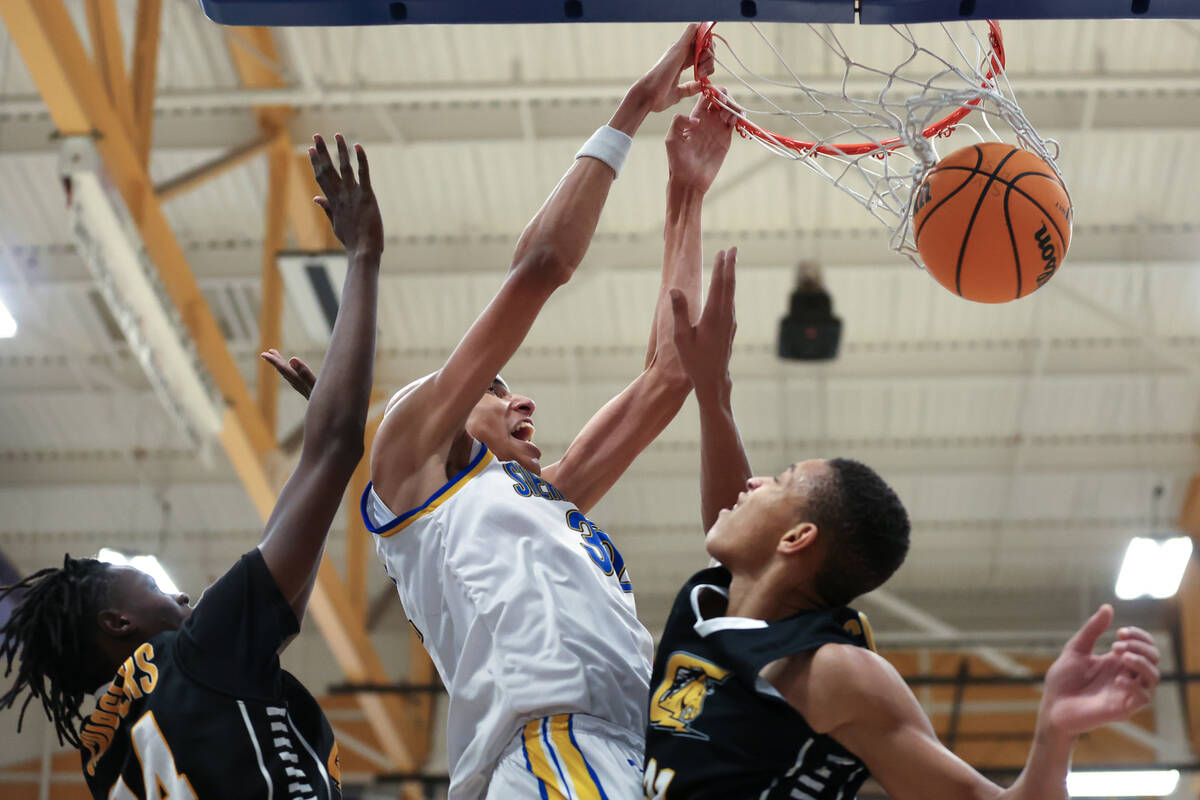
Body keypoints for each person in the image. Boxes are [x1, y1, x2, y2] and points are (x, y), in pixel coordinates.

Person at [271, 25, 735, 800]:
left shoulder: (542, 501)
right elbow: (543, 266)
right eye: (494, 387)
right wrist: (632, 107)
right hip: (554, 746)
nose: (518, 396)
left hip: (618, 752)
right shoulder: (412, 468)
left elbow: (670, 374)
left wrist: (685, 193)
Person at [640, 248, 1163, 799]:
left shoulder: (833, 674)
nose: (753, 483)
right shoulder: (714, 609)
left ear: (797, 538)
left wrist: (1054, 733)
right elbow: (741, 533)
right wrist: (712, 391)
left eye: (781, 480)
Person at [0, 134, 385, 800]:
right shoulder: (191, 659)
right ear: (118, 625)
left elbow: (303, 523)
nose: (180, 595)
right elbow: (337, 446)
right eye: (148, 585)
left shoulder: (108, 757)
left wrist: (324, 446)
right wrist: (364, 256)